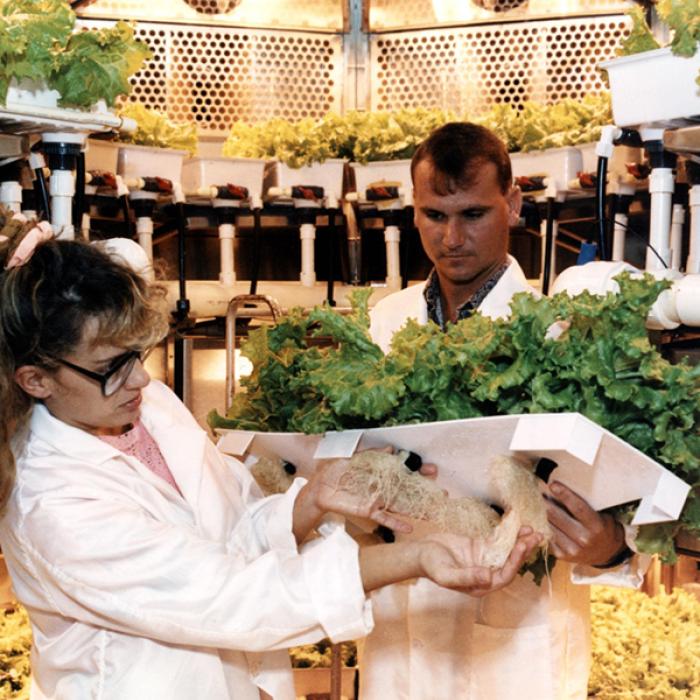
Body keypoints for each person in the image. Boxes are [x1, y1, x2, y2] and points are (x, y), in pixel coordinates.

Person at [0, 223, 541, 700]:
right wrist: (414, 558)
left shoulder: (143, 404)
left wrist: (309, 501)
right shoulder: (51, 504)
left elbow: (230, 526)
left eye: (137, 355)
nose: (140, 379)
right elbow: (230, 595)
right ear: (35, 379)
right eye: (112, 366)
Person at [363, 122, 649, 700]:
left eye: (473, 214)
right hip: (400, 648)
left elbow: (635, 504)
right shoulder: (381, 325)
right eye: (433, 215)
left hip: (520, 649)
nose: (451, 238)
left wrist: (611, 546)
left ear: (513, 204)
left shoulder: (564, 330)